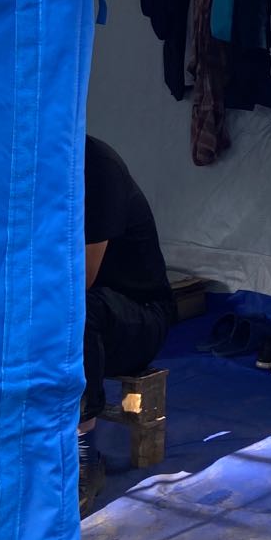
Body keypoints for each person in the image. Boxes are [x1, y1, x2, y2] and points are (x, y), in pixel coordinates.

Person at [80, 135, 177, 515]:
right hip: (96, 308)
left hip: (141, 316)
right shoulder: (26, 169)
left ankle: (84, 457)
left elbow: (81, 279)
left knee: (77, 310)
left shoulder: (96, 167)